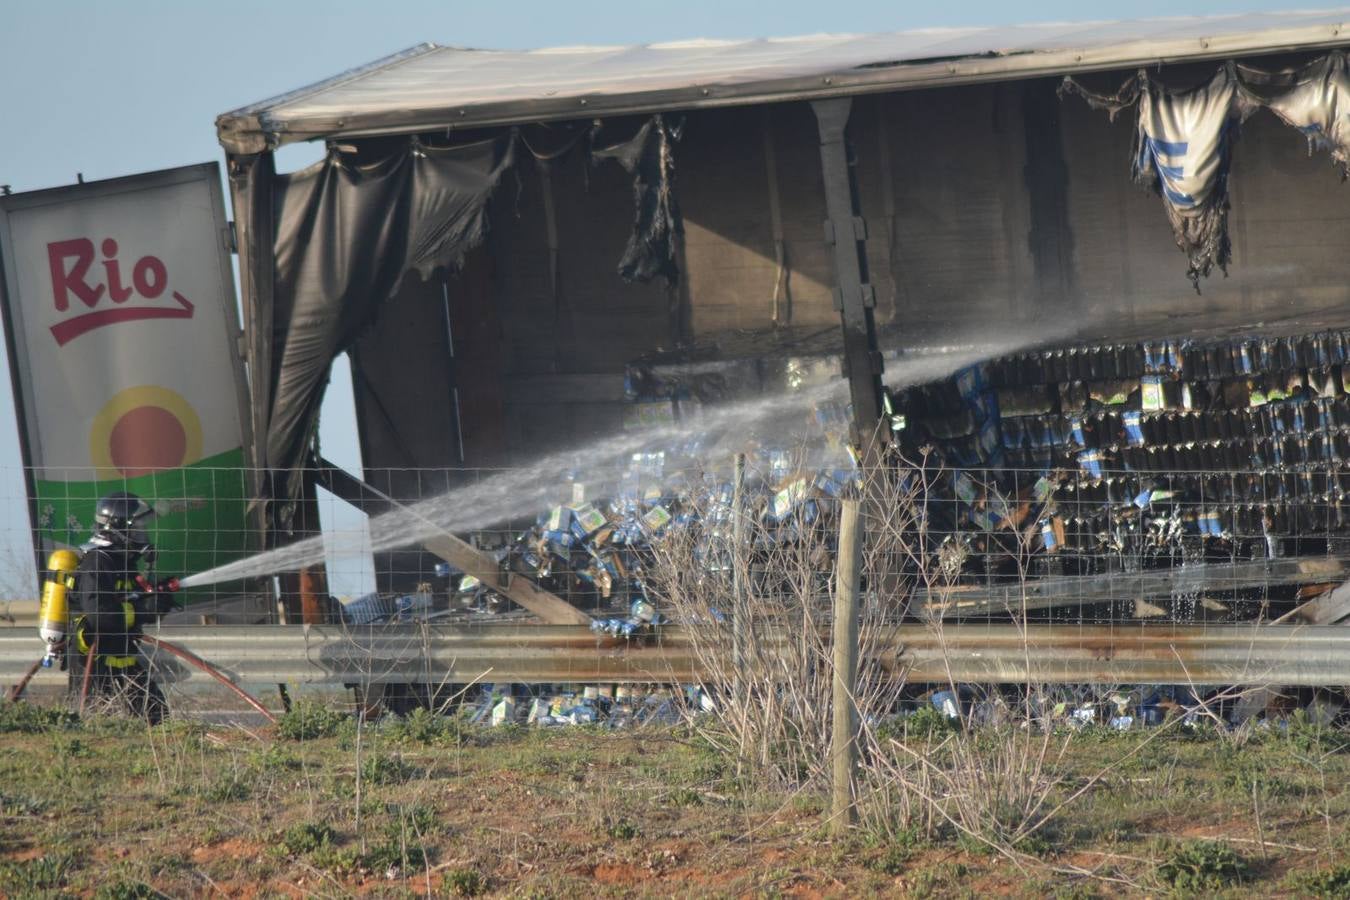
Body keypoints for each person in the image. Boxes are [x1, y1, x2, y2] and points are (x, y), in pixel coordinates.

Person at [69, 492, 175, 724]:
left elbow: (130, 597)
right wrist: (144, 609)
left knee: (158, 720)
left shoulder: (121, 560)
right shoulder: (98, 562)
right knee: (98, 729)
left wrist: (157, 595)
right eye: (137, 527)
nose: (143, 533)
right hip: (96, 668)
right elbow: (100, 614)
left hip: (123, 659)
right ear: (117, 528)